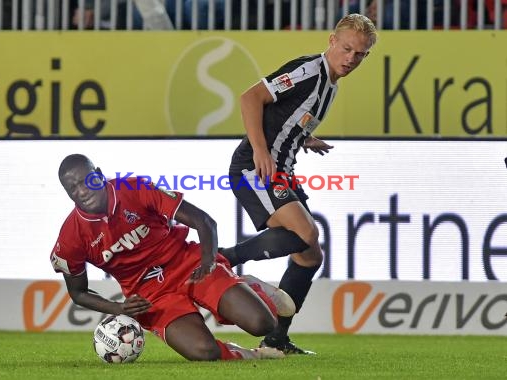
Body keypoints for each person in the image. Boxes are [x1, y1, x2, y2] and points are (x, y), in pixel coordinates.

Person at [226, 13, 378, 354]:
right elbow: (250, 98)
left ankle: (276, 342)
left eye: (361, 53)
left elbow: (286, 118)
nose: (352, 58)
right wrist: (262, 152)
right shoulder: (309, 71)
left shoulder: (330, 85)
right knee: (306, 233)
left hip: (282, 169)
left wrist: (305, 138)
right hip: (257, 168)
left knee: (310, 255)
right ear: (332, 42)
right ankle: (223, 259)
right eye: (347, 48)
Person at [50, 153, 296, 361]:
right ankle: (250, 355)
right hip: (151, 295)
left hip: (188, 264)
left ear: (100, 175)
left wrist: (208, 262)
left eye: (87, 180)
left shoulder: (134, 188)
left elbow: (204, 221)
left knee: (262, 324)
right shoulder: (71, 237)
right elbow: (78, 293)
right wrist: (118, 307)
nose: (82, 191)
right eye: (73, 187)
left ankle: (251, 285)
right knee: (204, 352)